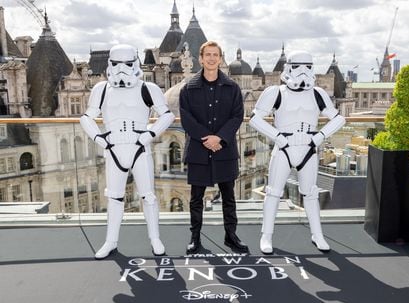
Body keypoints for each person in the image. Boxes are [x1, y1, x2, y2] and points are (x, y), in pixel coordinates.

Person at [80, 44, 174, 259]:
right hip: (114, 149)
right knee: (114, 197)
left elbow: (166, 115)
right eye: (117, 63)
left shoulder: (148, 88)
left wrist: (149, 135)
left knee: (148, 196)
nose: (122, 69)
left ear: (136, 63)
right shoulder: (101, 89)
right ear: (110, 64)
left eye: (127, 63)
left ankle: (155, 238)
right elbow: (86, 117)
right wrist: (99, 139)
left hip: (139, 147)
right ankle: (111, 241)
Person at [249, 50, 345, 254]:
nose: (303, 71)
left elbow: (338, 118)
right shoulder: (275, 92)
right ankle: (266, 236)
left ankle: (317, 235)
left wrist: (319, 137)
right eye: (298, 66)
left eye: (308, 67)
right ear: (289, 68)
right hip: (284, 147)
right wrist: (278, 137)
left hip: (308, 148)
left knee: (310, 194)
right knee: (273, 193)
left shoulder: (318, 94)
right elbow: (255, 118)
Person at [179, 41, 249, 254]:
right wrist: (206, 138)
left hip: (224, 149)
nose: (211, 58)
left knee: (229, 197)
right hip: (199, 151)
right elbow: (186, 119)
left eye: (215, 55)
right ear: (200, 59)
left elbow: (237, 116)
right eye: (207, 55)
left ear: (220, 58)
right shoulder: (188, 88)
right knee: (196, 199)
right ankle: (195, 238)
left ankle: (231, 237)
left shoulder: (233, 88)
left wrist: (219, 138)